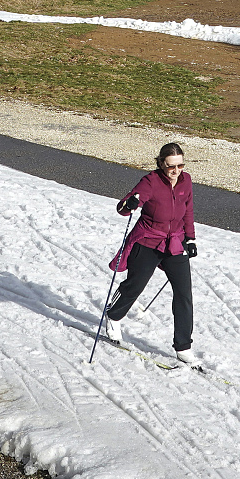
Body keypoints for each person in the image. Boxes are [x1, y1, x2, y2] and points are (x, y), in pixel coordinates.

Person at [102, 142, 200, 367]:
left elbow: (188, 209)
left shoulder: (186, 181)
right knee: (135, 285)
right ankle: (114, 316)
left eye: (180, 165)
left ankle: (183, 347)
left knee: (184, 294)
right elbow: (123, 208)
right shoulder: (151, 182)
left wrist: (191, 238)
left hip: (175, 242)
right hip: (147, 240)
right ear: (161, 163)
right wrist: (131, 203)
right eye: (171, 166)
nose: (176, 171)